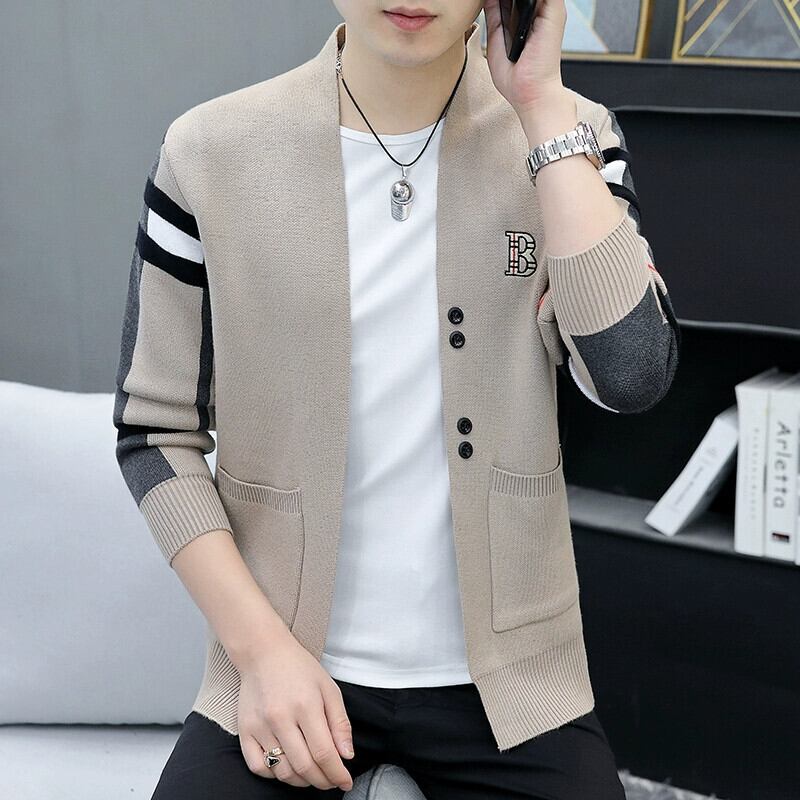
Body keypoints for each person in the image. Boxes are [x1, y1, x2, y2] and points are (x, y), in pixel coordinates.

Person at [113, 1, 680, 798]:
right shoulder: (208, 151)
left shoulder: (573, 133)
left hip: (516, 683)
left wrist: (541, 106)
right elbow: (152, 432)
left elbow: (631, 374)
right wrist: (261, 655)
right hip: (287, 667)